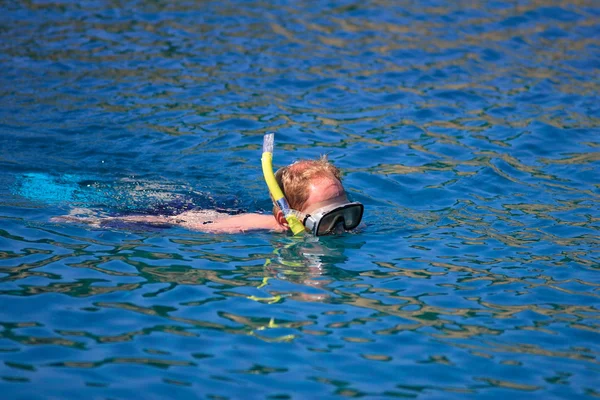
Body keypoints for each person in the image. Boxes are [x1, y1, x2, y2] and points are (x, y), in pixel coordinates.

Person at [54, 156, 364, 235]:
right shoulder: (254, 224)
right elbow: (182, 223)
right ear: (287, 219)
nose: (341, 229)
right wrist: (98, 221)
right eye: (327, 220)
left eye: (348, 214)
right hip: (192, 211)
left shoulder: (343, 232)